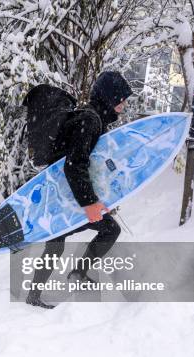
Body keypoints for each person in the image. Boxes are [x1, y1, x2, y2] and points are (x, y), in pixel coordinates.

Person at [26, 71, 133, 309]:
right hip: (62, 195)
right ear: (108, 97)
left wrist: (99, 198)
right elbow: (74, 165)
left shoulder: (93, 119)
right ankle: (39, 294)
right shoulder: (90, 120)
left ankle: (73, 277)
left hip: (66, 194)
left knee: (101, 231)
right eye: (121, 99)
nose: (124, 104)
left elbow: (90, 166)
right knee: (62, 240)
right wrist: (90, 202)